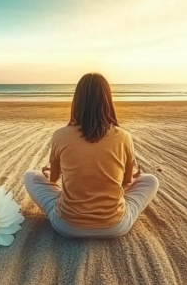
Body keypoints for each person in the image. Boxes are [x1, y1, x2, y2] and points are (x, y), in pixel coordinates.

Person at [23, 73, 159, 238]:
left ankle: (71, 202)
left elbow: (52, 180)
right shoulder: (124, 136)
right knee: (151, 180)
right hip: (116, 227)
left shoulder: (60, 135)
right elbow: (126, 183)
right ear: (108, 101)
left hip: (66, 226)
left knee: (30, 175)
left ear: (77, 101)